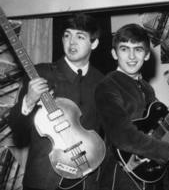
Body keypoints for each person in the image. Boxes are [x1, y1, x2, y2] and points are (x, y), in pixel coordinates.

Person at [94, 23, 169, 190]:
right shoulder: (108, 86)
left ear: (147, 55)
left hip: (149, 175)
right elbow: (123, 136)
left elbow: (153, 130)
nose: (132, 56)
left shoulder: (146, 87)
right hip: (121, 177)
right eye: (124, 49)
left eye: (138, 49)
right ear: (114, 54)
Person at [7, 13, 104, 190]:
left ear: (94, 43)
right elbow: (17, 129)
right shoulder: (40, 73)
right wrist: (28, 101)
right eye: (67, 35)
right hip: (44, 180)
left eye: (80, 36)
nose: (71, 42)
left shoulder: (102, 82)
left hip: (87, 181)